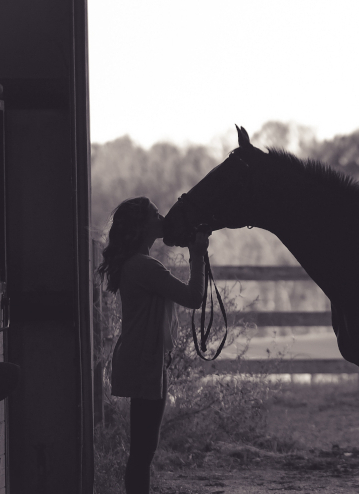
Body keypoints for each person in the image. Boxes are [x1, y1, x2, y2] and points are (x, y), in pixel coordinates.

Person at [95, 197, 208, 494]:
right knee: (143, 451)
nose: (162, 217)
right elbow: (194, 297)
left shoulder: (136, 265)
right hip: (145, 360)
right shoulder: (144, 267)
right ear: (143, 225)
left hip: (145, 359)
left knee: (143, 449)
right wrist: (197, 253)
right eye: (155, 214)